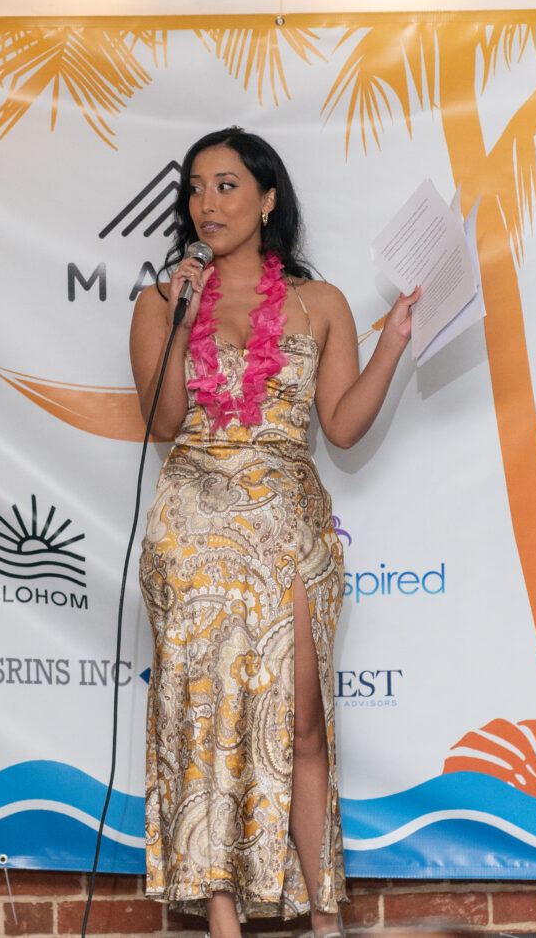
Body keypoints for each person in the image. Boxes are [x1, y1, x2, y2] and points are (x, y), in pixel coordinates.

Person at [130, 127, 418, 938]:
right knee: (207, 721)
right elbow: (161, 422)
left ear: (267, 199)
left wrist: (393, 341)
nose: (206, 203)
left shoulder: (319, 305)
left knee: (301, 722)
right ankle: (223, 917)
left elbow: (344, 426)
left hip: (289, 527)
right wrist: (183, 321)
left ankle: (324, 918)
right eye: (194, 187)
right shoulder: (160, 303)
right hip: (192, 528)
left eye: (226, 186)